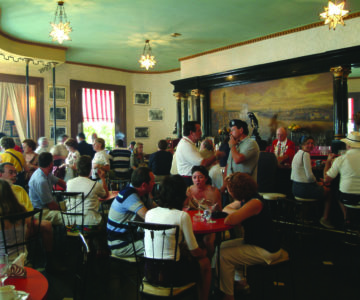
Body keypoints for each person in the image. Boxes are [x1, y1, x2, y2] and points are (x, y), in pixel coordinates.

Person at [145, 175, 211, 300]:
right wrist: (204, 252)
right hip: (172, 276)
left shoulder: (149, 213)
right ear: (181, 195)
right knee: (205, 263)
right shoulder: (182, 216)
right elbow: (194, 251)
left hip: (150, 272)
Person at [219, 173, 281, 300]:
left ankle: (228, 295)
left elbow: (229, 220)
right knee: (221, 247)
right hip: (256, 242)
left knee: (223, 256)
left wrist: (238, 214)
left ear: (237, 190)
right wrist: (239, 213)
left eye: (229, 189)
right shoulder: (247, 200)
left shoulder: (254, 203)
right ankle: (240, 281)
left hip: (267, 249)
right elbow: (227, 209)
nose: (228, 191)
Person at [107, 167, 156, 257]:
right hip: (120, 244)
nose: (154, 183)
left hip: (127, 238)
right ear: (144, 185)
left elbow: (155, 210)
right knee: (160, 245)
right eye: (153, 181)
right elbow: (149, 218)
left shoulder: (134, 192)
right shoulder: (130, 196)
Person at [291, 136, 333, 229]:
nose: (310, 145)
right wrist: (318, 183)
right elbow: (309, 177)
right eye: (307, 143)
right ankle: (324, 218)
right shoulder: (305, 155)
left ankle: (304, 217)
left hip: (295, 188)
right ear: (302, 144)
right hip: (304, 189)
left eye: (312, 143)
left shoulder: (297, 153)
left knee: (322, 188)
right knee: (328, 191)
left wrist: (317, 183)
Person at [324, 131, 360, 220]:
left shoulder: (341, 159)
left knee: (337, 191)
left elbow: (326, 179)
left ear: (348, 145)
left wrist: (328, 163)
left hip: (347, 198)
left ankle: (346, 218)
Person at [176, 121, 222, 186]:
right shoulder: (186, 145)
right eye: (199, 131)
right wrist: (216, 156)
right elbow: (203, 163)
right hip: (189, 180)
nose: (201, 133)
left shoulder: (188, 143)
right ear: (191, 133)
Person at [67, 155, 109, 226]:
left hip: (71, 224)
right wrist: (103, 178)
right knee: (106, 218)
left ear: (77, 168)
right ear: (90, 169)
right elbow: (105, 195)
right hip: (89, 224)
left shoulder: (69, 183)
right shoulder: (95, 184)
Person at [29, 152, 66, 225]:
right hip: (41, 212)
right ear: (51, 164)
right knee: (69, 216)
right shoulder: (41, 181)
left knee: (71, 204)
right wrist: (65, 211)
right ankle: (69, 235)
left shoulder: (45, 172)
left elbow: (60, 182)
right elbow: (51, 205)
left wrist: (71, 187)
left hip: (48, 207)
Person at [222, 119, 260, 190]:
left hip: (245, 187)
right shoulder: (235, 144)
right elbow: (228, 165)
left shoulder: (251, 143)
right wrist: (225, 184)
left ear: (241, 130)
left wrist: (232, 146)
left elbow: (238, 159)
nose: (230, 133)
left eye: (233, 130)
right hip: (232, 186)